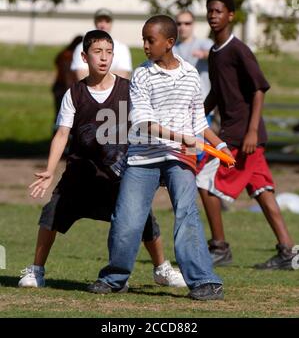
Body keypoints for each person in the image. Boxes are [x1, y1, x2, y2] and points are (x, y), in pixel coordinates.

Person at [18, 30, 186, 289]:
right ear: (85, 57)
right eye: (97, 52)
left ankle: (161, 269)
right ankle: (36, 270)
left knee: (144, 221)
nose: (104, 58)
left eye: (108, 52)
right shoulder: (74, 93)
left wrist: (165, 154)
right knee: (51, 216)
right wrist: (50, 171)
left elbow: (147, 126)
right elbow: (62, 134)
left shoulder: (129, 90)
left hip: (119, 175)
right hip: (80, 175)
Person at [87, 15, 235, 301]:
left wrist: (222, 145)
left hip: (181, 158)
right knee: (127, 218)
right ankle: (115, 278)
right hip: (143, 156)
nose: (144, 45)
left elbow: (199, 124)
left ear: (169, 43)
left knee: (187, 214)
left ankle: (205, 281)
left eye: (149, 40)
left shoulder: (191, 75)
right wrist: (182, 138)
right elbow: (143, 123)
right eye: (143, 39)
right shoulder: (142, 75)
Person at [196, 0, 297, 269]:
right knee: (263, 191)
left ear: (231, 15)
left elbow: (259, 88)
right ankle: (288, 252)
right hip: (237, 132)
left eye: (219, 11)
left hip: (242, 136)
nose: (213, 16)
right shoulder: (215, 52)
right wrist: (195, 115)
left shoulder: (238, 49)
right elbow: (217, 91)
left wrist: (252, 131)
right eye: (210, 11)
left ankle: (220, 247)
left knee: (205, 183)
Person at [71, 8, 132, 80]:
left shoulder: (122, 48)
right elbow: (81, 75)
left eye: (107, 21)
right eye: (100, 21)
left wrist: (93, 74)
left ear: (111, 24)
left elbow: (123, 75)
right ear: (95, 22)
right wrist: (111, 74)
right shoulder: (81, 47)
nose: (103, 25)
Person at [173, 10, 213, 101]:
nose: (182, 27)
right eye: (179, 23)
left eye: (187, 23)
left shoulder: (204, 43)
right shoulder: (171, 48)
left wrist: (204, 54)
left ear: (193, 24)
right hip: (177, 105)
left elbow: (215, 54)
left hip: (202, 103)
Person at [52, 35, 83, 120]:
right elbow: (67, 74)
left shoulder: (64, 53)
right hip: (64, 86)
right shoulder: (69, 56)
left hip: (59, 85)